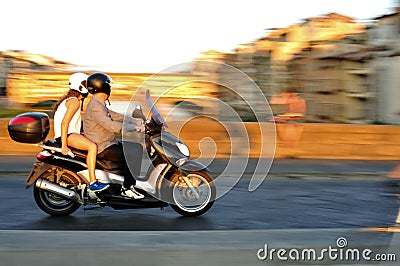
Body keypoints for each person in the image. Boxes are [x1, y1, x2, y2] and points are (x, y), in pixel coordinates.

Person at [83, 72, 144, 199]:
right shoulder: (96, 106)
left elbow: (115, 116)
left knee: (135, 147)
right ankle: (127, 188)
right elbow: (110, 125)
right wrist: (135, 127)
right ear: (103, 86)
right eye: (108, 85)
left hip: (108, 143)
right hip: (103, 147)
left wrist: (134, 120)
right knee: (134, 151)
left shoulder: (98, 104)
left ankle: (122, 181)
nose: (110, 88)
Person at [53, 73, 109, 192]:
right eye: (86, 85)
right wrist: (64, 145)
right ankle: (93, 183)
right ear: (80, 86)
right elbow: (64, 123)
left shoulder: (70, 100)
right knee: (92, 147)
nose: (89, 89)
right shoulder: (74, 102)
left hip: (69, 134)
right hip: (68, 136)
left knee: (93, 142)